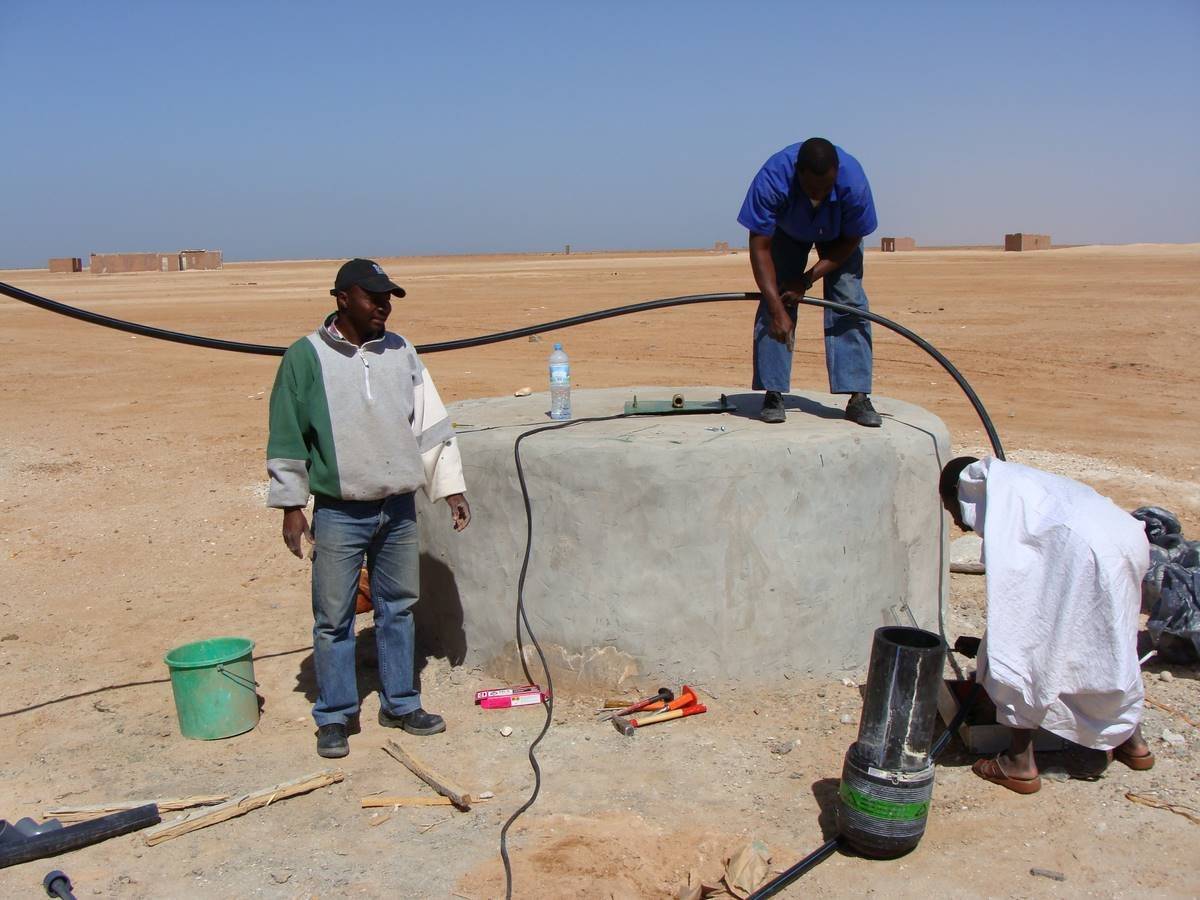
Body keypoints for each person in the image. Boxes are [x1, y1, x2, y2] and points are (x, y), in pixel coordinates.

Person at [267, 258, 471, 758]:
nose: (383, 305)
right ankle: (335, 715)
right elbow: (288, 433)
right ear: (341, 298)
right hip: (340, 511)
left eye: (388, 297)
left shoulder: (402, 352)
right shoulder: (305, 357)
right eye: (372, 296)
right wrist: (292, 504)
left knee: (397, 609)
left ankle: (401, 703)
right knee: (333, 617)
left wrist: (451, 487)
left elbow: (430, 425)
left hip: (398, 508)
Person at [940, 456, 1155, 794]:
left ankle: (1019, 762)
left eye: (953, 510)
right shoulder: (1019, 488)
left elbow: (1020, 620)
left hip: (1085, 552)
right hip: (1123, 539)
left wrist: (992, 652)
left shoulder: (1008, 514)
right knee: (1109, 646)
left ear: (962, 492)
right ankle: (1133, 743)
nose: (958, 522)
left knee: (1022, 648)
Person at [737, 137, 881, 426]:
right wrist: (777, 309)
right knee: (776, 299)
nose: (819, 195)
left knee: (849, 301)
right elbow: (760, 247)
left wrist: (806, 280)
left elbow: (852, 239)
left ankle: (858, 396)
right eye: (812, 189)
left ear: (837, 173)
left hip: (840, 238)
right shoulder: (773, 179)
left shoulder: (854, 182)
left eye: (826, 189)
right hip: (787, 233)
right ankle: (773, 392)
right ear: (797, 174)